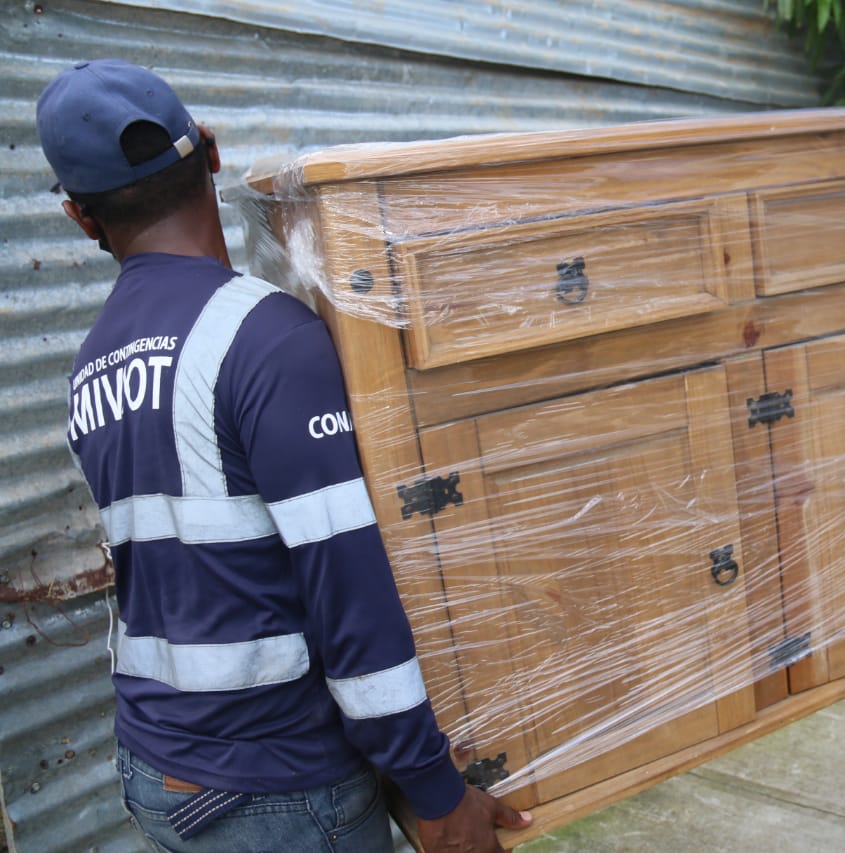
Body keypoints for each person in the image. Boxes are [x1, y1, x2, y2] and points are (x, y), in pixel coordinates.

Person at [36, 59, 531, 851]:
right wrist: (434, 790)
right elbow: (347, 587)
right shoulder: (265, 336)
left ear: (78, 215)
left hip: (157, 762)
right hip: (272, 787)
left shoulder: (91, 365)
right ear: (211, 150)